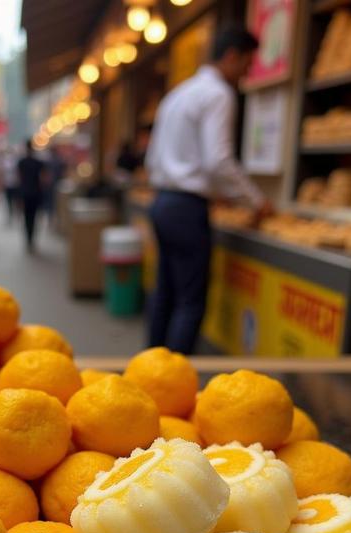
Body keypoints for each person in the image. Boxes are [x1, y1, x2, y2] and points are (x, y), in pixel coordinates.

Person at [144, 24, 271, 355]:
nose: (246, 73)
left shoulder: (179, 93)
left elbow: (154, 157)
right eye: (246, 64)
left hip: (162, 201)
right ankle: (175, 384)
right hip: (186, 209)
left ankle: (149, 371)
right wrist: (255, 201)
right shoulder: (218, 94)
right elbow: (218, 160)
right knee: (190, 299)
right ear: (231, 56)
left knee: (166, 291)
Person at [17, 139, 44, 253]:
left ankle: (28, 239)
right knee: (33, 217)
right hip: (36, 193)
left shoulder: (21, 162)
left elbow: (19, 179)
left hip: (25, 193)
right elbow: (43, 179)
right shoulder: (38, 163)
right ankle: (31, 239)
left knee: (27, 217)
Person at [2, 148, 20, 223]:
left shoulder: (16, 161)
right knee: (9, 201)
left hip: (14, 184)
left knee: (15, 201)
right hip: (7, 184)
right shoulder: (5, 161)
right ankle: (10, 214)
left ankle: (15, 214)